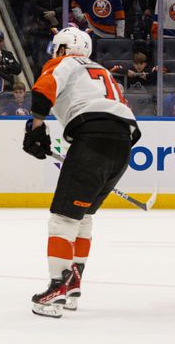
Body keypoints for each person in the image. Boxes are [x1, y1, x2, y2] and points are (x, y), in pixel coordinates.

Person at [22, 27, 140, 318]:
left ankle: (56, 288)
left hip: (92, 139)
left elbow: (42, 91)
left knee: (63, 218)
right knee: (83, 216)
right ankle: (73, 284)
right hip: (123, 143)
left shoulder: (63, 62)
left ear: (62, 48)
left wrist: (37, 128)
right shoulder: (102, 71)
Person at [28, 0, 63, 76]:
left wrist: (55, 12)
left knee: (54, 56)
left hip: (55, 27)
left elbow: (64, 5)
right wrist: (46, 13)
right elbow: (33, 6)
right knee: (39, 58)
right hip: (40, 27)